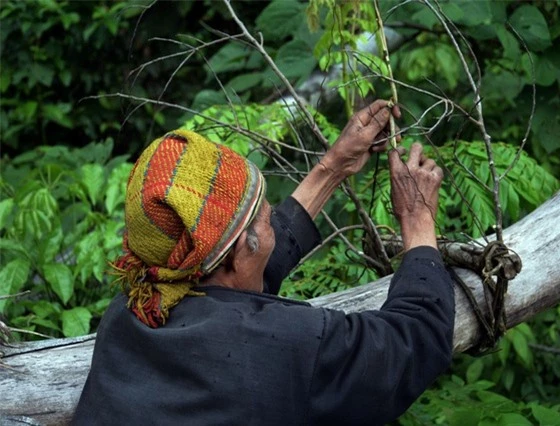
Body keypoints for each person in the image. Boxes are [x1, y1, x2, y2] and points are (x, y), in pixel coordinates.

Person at [73, 100, 455, 425]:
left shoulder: (128, 314)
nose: (273, 226)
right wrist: (417, 220)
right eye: (266, 217)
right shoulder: (285, 346)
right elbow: (412, 343)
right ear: (238, 252)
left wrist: (332, 168)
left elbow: (231, 291)